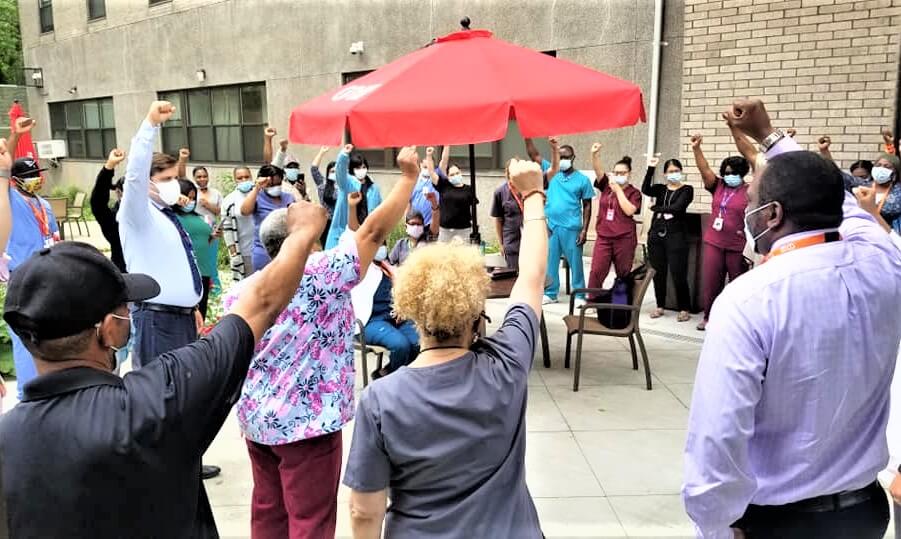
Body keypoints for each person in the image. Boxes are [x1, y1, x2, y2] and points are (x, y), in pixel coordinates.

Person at [0, 200, 328, 539]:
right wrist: (303, 233)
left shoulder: (7, 438)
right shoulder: (161, 398)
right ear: (108, 328)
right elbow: (261, 303)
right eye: (126, 307)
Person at [683, 98, 901, 539]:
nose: (746, 207)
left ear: (772, 214)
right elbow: (848, 206)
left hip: (779, 521)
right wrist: (769, 136)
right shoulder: (886, 263)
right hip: (863, 514)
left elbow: (719, 437)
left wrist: (714, 527)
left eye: (752, 198)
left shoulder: (749, 299)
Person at [342, 157, 548, 538]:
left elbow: (363, 512)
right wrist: (533, 193)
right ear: (475, 313)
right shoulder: (507, 363)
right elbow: (532, 278)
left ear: (412, 313)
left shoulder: (380, 400)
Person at [222, 144, 420, 539]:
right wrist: (408, 178)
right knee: (310, 522)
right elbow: (374, 232)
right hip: (307, 427)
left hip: (259, 421)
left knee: (269, 515)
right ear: (306, 241)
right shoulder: (321, 273)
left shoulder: (240, 291)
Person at [117, 101, 220, 479]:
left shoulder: (165, 215)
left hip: (177, 316)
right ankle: (158, 471)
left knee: (184, 396)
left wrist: (191, 303)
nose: (174, 184)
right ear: (147, 180)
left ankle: (184, 463)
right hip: (156, 319)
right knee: (159, 397)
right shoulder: (136, 213)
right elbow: (132, 178)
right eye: (165, 178)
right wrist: (148, 126)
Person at [2, 119, 60, 397]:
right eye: (31, 174)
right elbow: (2, 165)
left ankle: (51, 390)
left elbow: (55, 236)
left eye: (38, 172)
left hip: (49, 277)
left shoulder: (43, 204)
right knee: (26, 342)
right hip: (23, 281)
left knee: (51, 339)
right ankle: (29, 395)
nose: (37, 177)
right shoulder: (11, 199)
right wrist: (15, 135)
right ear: (14, 181)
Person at [691, 134, 750, 331]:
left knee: (738, 284)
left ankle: (738, 321)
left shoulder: (749, 191)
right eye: (725, 172)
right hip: (714, 242)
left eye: (733, 173)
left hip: (737, 245)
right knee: (711, 282)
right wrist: (696, 149)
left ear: (742, 174)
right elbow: (704, 169)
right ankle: (709, 316)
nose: (728, 176)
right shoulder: (717, 185)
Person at [526, 137, 593, 304]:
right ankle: (550, 292)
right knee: (551, 261)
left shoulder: (582, 180)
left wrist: (584, 230)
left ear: (573, 158)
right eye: (560, 157)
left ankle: (579, 295)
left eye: (566, 157)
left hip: (571, 227)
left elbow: (587, 206)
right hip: (551, 226)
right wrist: (527, 135)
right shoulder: (552, 171)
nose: (563, 160)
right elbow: (534, 155)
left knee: (576, 263)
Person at [642, 156, 694, 321]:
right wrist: (651, 168)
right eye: (670, 171)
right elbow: (645, 189)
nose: (674, 174)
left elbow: (678, 208)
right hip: (656, 234)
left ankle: (684, 308)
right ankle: (660, 306)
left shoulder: (687, 189)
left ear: (681, 172)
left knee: (678, 273)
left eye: (677, 171)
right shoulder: (660, 189)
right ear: (665, 174)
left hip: (676, 235)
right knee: (659, 272)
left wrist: (656, 207)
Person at [587, 147, 643, 292]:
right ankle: (592, 300)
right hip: (604, 236)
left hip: (624, 237)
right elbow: (598, 170)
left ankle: (620, 303)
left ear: (629, 174)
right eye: (616, 172)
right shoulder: (606, 186)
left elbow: (630, 210)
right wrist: (594, 154)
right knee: (597, 270)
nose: (618, 175)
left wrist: (618, 190)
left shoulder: (634, 193)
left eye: (622, 173)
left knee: (623, 272)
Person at [240, 164, 295, 272]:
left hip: (287, 251)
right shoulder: (258, 197)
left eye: (278, 183)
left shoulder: (288, 197)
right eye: (271, 184)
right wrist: (257, 188)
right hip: (263, 252)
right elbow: (244, 211)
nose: (275, 187)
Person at [324, 147, 383, 249]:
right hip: (342, 235)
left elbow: (379, 213)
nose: (361, 170)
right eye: (357, 168)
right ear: (351, 169)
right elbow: (340, 173)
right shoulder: (347, 183)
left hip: (365, 237)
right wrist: (344, 155)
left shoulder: (374, 189)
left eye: (363, 167)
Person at [174, 179, 216, 320]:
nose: (190, 201)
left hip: (204, 270)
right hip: (186, 271)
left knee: (201, 315)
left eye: (193, 198)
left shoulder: (199, 217)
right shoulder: (171, 216)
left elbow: (203, 241)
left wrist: (212, 236)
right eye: (188, 197)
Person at [90, 148, 127, 273]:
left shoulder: (154, 212)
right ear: (118, 192)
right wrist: (109, 166)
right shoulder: (114, 220)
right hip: (125, 277)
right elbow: (97, 202)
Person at [429, 146, 475, 243]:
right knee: (444, 256)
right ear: (447, 176)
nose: (455, 176)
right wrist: (430, 156)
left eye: (457, 173)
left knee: (463, 256)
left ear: (461, 173)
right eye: (452, 174)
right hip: (446, 231)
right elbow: (435, 171)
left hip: (464, 230)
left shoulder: (469, 189)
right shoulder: (444, 186)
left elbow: (473, 209)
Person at [490, 158, 527, 271]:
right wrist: (501, 244)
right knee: (513, 274)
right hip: (511, 241)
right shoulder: (500, 192)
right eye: (512, 171)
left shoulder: (529, 188)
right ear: (507, 173)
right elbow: (497, 220)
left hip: (530, 239)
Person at [220, 166, 256, 280]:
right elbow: (227, 228)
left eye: (246, 177)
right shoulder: (229, 200)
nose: (244, 180)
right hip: (245, 252)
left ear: (251, 177)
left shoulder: (260, 195)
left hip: (264, 249)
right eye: (240, 178)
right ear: (235, 180)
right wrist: (233, 253)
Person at [191, 164, 223, 290]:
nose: (202, 179)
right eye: (198, 177)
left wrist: (208, 205)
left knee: (211, 258)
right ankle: (199, 286)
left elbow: (220, 211)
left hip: (213, 228)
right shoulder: (192, 192)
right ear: (194, 178)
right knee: (198, 258)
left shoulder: (216, 193)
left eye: (204, 176)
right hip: (197, 229)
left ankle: (215, 287)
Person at [310, 146, 339, 246]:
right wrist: (321, 152)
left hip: (341, 223)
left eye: (337, 171)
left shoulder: (345, 186)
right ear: (328, 173)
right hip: (327, 224)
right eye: (332, 171)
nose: (335, 173)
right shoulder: (323, 184)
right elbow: (314, 169)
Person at [409, 146, 442, 229]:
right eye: (424, 167)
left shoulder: (436, 180)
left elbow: (444, 162)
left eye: (429, 167)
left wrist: (429, 155)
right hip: (415, 223)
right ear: (420, 165)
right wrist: (407, 219)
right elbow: (408, 202)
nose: (426, 170)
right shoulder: (414, 181)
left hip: (432, 224)